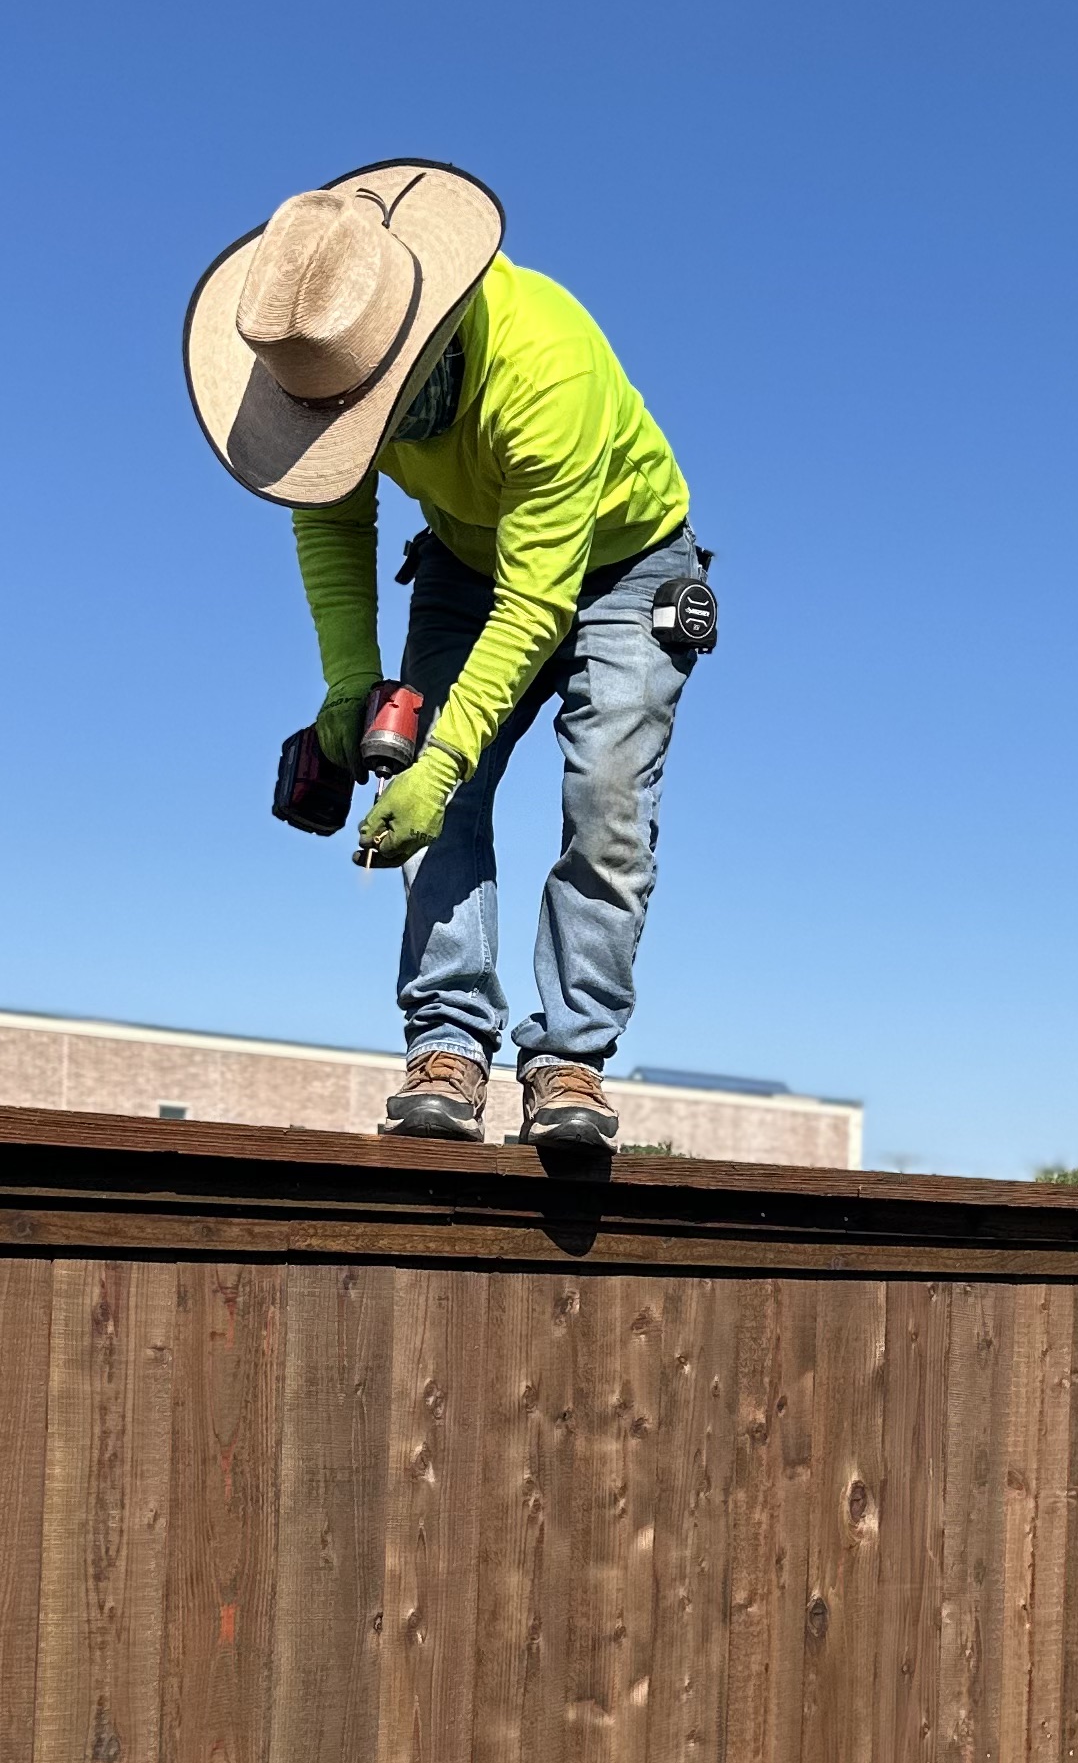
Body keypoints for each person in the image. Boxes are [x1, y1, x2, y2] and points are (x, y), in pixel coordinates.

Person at [183, 157, 708, 1154]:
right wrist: (350, 682)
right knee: (422, 780)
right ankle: (446, 1046)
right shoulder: (325, 364)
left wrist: (448, 756)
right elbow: (332, 527)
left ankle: (569, 1061)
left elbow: (538, 601)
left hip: (621, 566)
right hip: (468, 562)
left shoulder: (544, 365)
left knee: (605, 800)